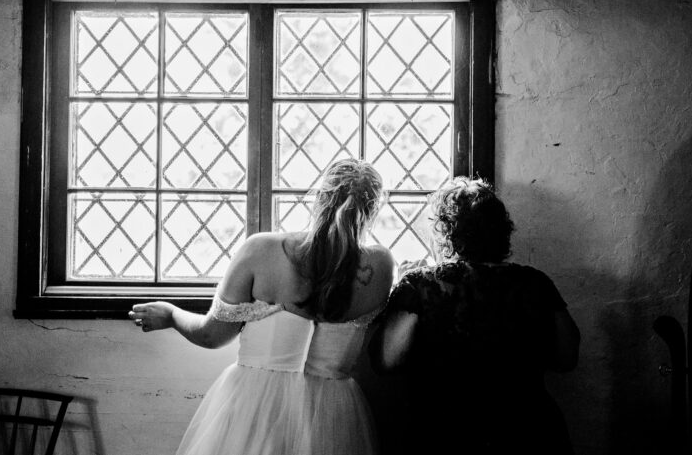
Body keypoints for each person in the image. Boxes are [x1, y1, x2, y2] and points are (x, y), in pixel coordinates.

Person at [129, 158, 395, 455]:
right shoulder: (380, 266)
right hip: (334, 415)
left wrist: (171, 314)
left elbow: (212, 336)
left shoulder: (261, 250)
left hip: (256, 407)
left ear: (319, 198)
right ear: (372, 211)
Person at [369, 176, 580, 455]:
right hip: (528, 432)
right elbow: (567, 357)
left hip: (448, 432)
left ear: (446, 232)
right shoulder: (535, 283)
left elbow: (387, 359)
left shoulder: (424, 286)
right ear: (501, 231)